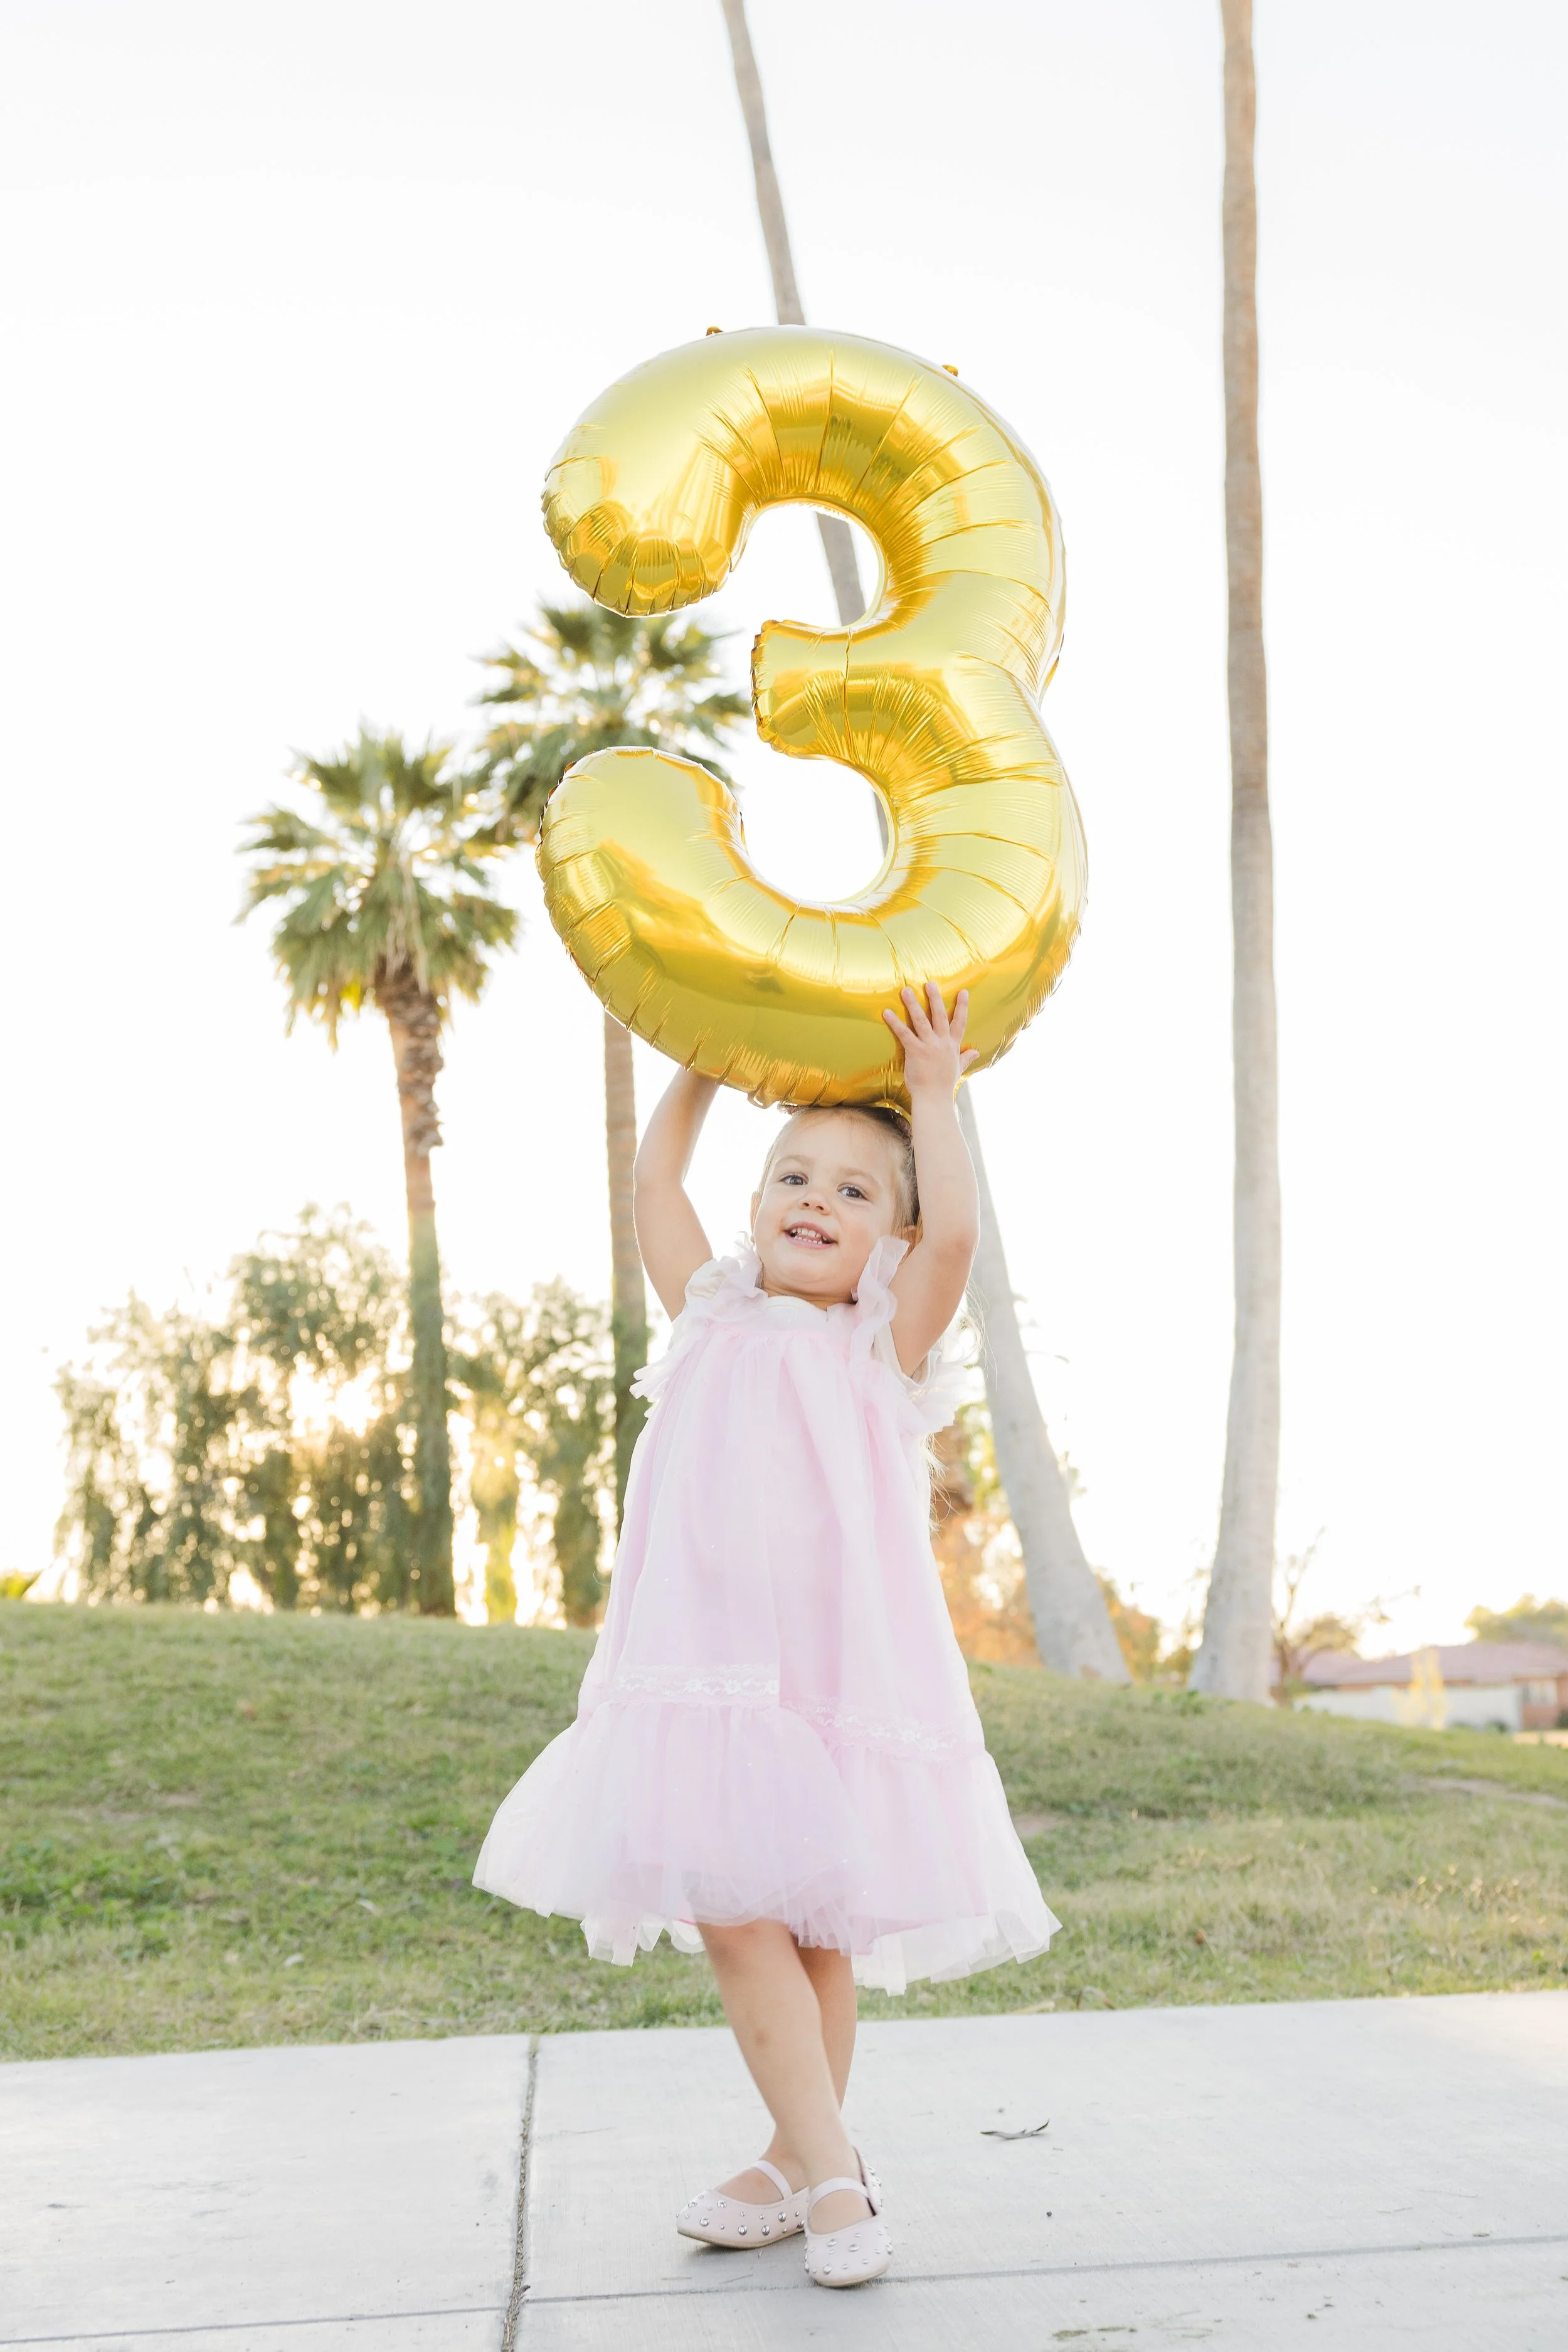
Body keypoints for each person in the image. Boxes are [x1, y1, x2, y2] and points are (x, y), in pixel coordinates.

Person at [474, 983, 1059, 2288]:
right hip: (700, 1674)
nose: (815, 1199)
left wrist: (935, 1098)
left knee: (816, 1930)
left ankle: (803, 2164)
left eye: (856, 1193)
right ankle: (829, 2166)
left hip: (835, 1674)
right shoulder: (712, 1312)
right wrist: (697, 1066)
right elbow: (652, 1193)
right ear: (754, 1205)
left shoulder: (877, 1343)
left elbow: (957, 1239)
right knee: (736, 1910)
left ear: (889, 1241)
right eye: (793, 1175)